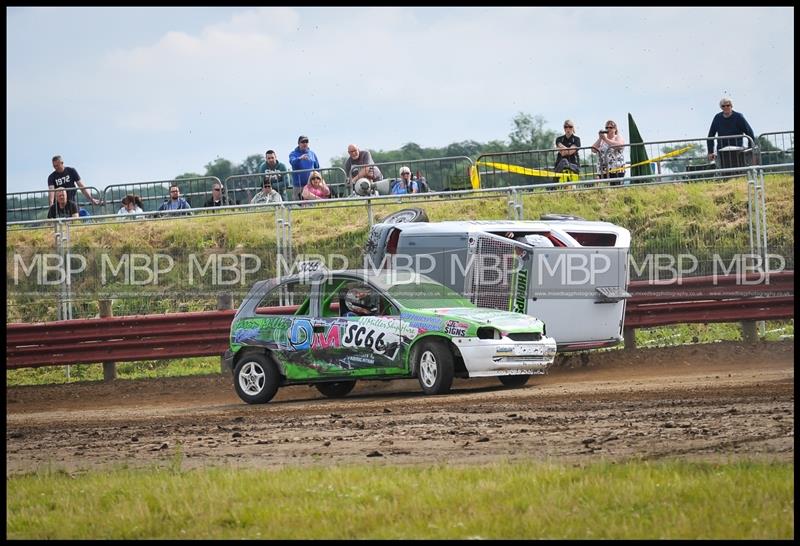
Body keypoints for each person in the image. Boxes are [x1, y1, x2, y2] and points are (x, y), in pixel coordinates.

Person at [707, 97, 756, 168]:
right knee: (724, 172)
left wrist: (750, 148)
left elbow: (749, 132)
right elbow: (711, 135)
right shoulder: (717, 118)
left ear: (731, 106)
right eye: (723, 106)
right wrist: (710, 151)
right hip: (722, 150)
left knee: (738, 170)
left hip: (737, 150)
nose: (726, 107)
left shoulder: (738, 117)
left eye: (728, 105)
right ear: (721, 107)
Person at [591, 120, 626, 186]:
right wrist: (600, 138)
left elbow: (620, 145)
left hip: (616, 169)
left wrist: (605, 139)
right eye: (606, 128)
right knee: (605, 190)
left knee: (616, 189)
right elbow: (593, 149)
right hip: (603, 170)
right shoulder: (602, 139)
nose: (608, 129)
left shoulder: (618, 137)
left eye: (610, 127)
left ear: (615, 129)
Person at [288, 135, 320, 201]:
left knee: (312, 204)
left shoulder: (312, 153)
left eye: (306, 142)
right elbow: (292, 162)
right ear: (298, 143)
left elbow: (317, 167)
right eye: (303, 142)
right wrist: (300, 158)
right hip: (298, 186)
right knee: (297, 205)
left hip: (311, 185)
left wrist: (317, 180)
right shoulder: (293, 154)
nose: (305, 143)